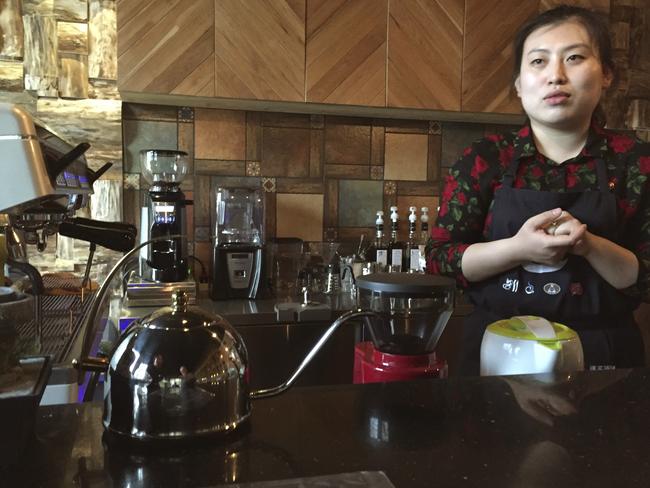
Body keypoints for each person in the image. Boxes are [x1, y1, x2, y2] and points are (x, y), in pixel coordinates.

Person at [427, 5, 650, 375]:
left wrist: (589, 245)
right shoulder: (485, 159)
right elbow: (441, 257)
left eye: (574, 57)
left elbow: (645, 275)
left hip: (605, 359)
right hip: (498, 350)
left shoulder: (636, 163)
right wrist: (518, 248)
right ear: (518, 84)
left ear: (607, 74)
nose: (556, 76)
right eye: (538, 62)